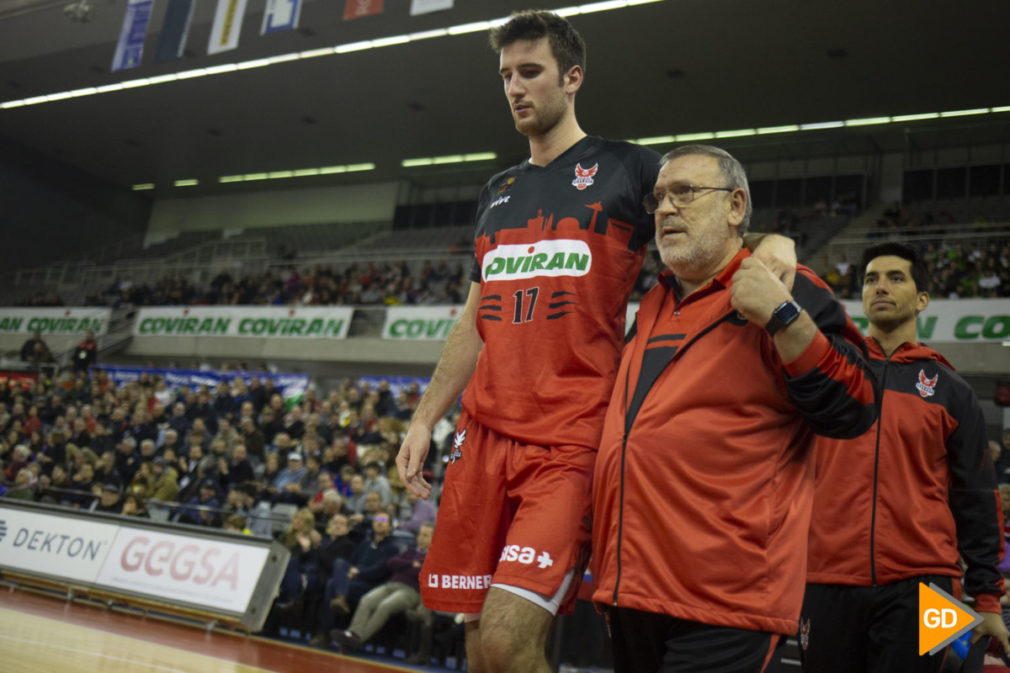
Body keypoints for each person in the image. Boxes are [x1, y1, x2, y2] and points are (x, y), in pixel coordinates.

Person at [395, 11, 796, 673]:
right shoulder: (496, 191)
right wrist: (424, 416)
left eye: (531, 72)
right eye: (505, 76)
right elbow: (475, 319)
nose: (515, 88)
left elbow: (700, 223)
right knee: (475, 647)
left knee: (504, 637)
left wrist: (773, 239)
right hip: (482, 436)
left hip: (572, 436)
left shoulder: (627, 168)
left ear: (572, 77)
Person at [590, 144, 878, 673]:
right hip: (629, 589)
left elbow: (856, 407)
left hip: (726, 602)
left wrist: (785, 317)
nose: (666, 209)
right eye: (658, 198)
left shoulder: (788, 288)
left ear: (735, 206)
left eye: (686, 193)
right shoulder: (653, 302)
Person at [801, 242, 1009, 672]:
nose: (881, 286)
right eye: (871, 279)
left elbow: (978, 496)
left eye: (896, 278)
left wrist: (987, 599)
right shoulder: (831, 373)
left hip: (929, 584)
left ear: (921, 299)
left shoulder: (953, 390)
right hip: (827, 578)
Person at [331, 521, 435, 651]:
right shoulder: (411, 551)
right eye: (420, 534)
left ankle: (357, 639)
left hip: (411, 591)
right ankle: (352, 633)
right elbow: (392, 563)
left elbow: (421, 574)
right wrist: (411, 564)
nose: (421, 537)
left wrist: (406, 565)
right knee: (367, 600)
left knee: (384, 606)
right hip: (391, 584)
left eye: (425, 535)